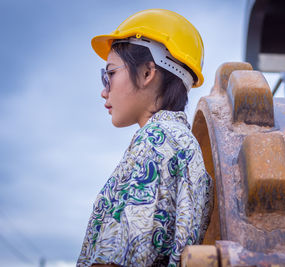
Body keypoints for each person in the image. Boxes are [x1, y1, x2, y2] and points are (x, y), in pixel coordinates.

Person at [77, 9, 213, 267]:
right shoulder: (181, 144)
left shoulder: (156, 141)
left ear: (148, 72)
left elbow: (118, 257)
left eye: (110, 74)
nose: (104, 91)